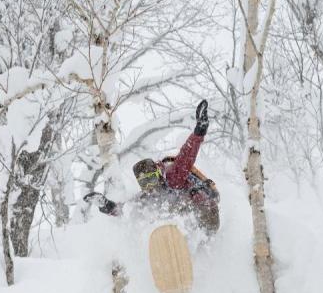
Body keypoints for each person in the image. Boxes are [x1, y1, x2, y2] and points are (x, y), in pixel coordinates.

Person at [83, 100, 220, 235]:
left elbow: (186, 155)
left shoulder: (173, 177)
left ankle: (191, 237)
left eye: (151, 179)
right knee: (140, 213)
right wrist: (105, 204)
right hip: (178, 226)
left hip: (205, 213)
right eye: (145, 182)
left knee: (181, 203)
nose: (150, 186)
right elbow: (124, 209)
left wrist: (199, 131)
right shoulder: (146, 197)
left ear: (158, 175)